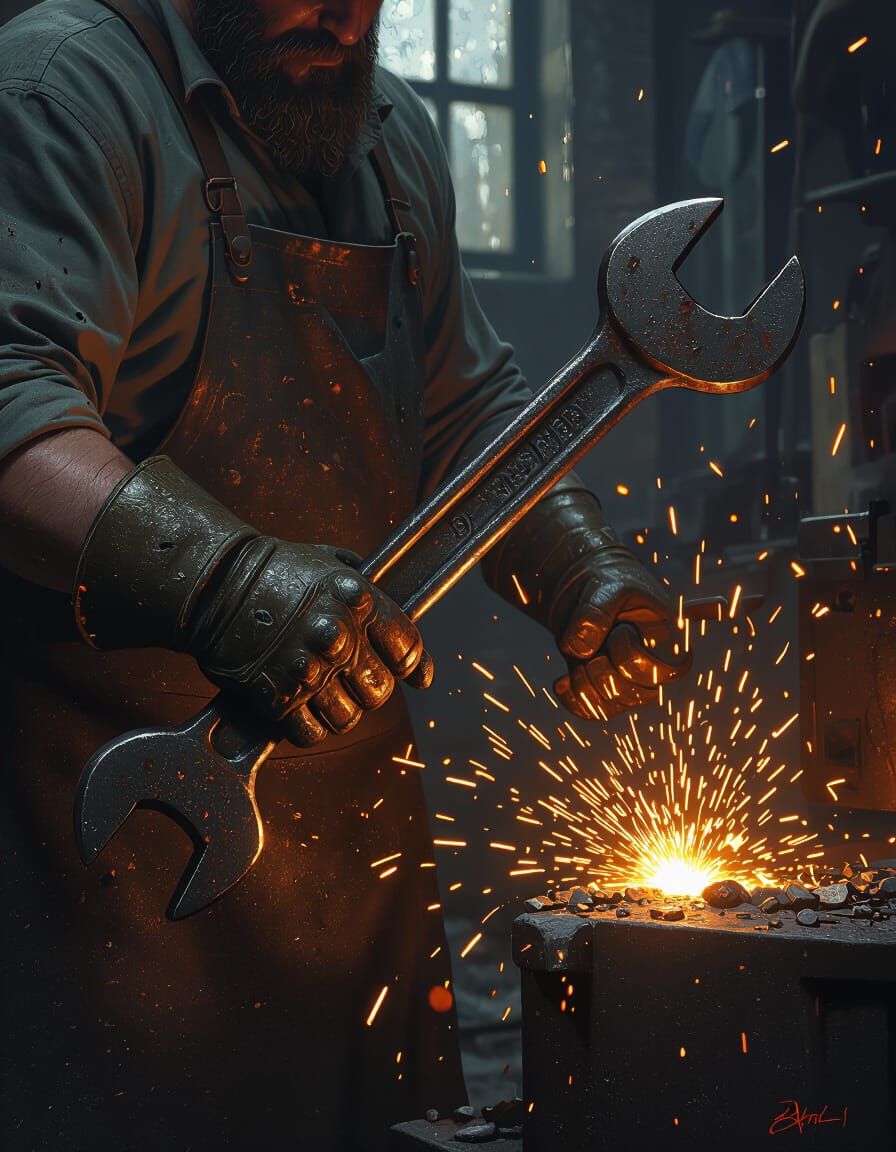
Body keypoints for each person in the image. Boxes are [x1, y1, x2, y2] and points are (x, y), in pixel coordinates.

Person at [0, 1, 682, 1147]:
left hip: (351, 846)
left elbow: (467, 412)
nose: (340, 10)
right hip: (103, 849)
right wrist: (226, 585)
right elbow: (12, 407)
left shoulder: (385, 129)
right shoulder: (63, 92)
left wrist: (576, 561)